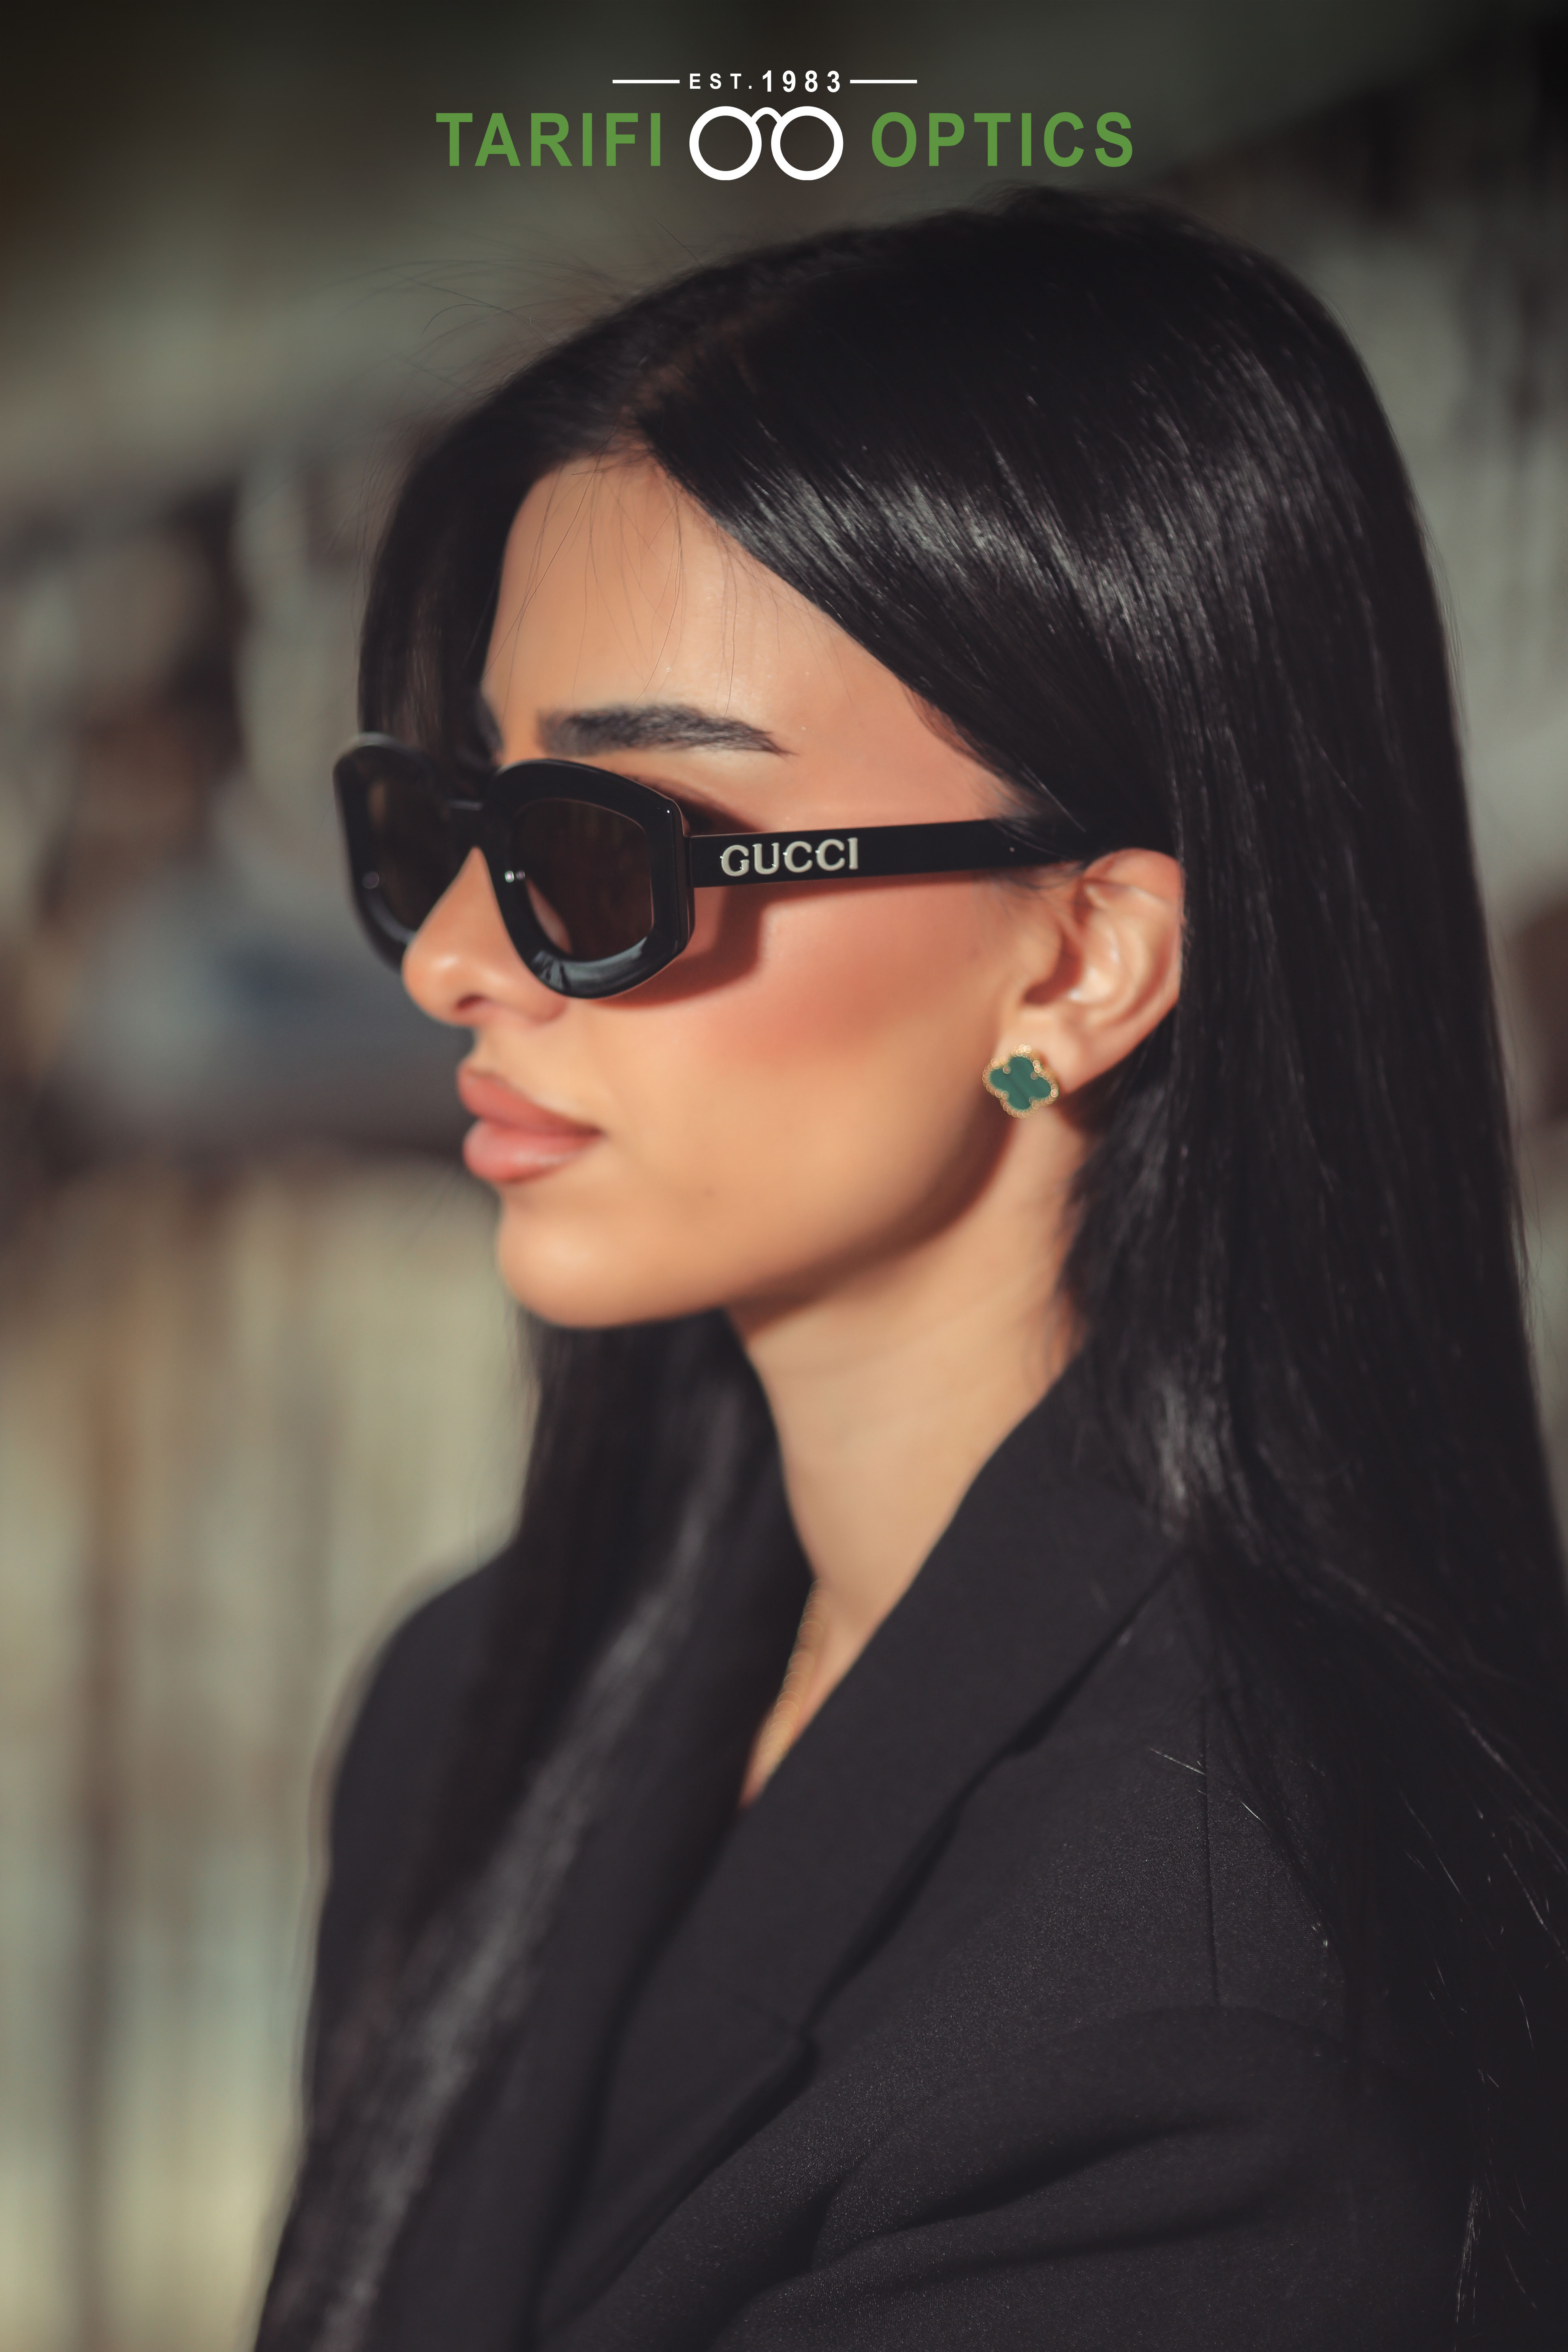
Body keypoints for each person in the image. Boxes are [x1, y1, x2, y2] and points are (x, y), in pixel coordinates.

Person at [255, 190, 1568, 2351]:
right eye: (450, 825)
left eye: (606, 851)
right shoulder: (483, 1706)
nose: (457, 960)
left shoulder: (1207, 2047)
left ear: (1080, 963)